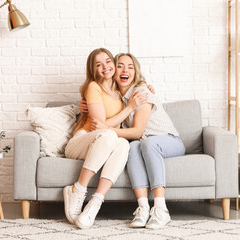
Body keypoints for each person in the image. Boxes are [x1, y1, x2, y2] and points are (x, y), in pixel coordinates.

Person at [89, 53, 186, 229]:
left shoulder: (141, 92)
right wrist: (83, 105)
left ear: (135, 72)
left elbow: (138, 131)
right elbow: (101, 107)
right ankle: (143, 208)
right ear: (114, 72)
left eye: (130, 67)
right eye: (120, 66)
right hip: (144, 143)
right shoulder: (118, 96)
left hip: (169, 140)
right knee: (132, 146)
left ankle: (161, 209)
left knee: (146, 141)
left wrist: (108, 130)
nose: (125, 70)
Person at [63, 48, 147, 229]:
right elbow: (100, 126)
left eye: (108, 62)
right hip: (82, 140)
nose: (105, 67)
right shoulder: (93, 87)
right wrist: (130, 108)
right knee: (109, 134)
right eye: (98, 64)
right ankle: (77, 190)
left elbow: (137, 82)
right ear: (93, 69)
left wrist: (147, 87)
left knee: (124, 143)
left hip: (106, 142)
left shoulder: (119, 90)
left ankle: (95, 203)